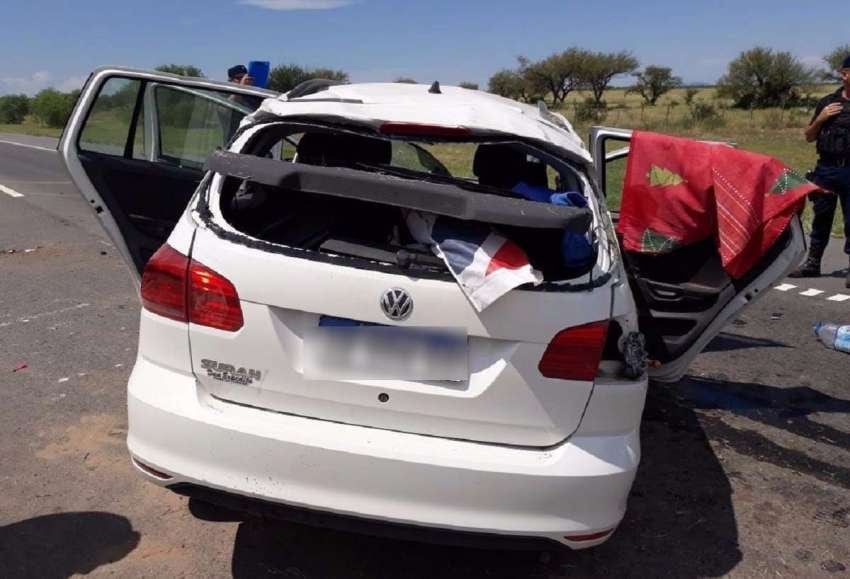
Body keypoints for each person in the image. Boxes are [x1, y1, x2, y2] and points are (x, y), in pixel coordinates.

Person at [790, 55, 850, 286]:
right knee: (821, 217)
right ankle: (812, 264)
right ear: (844, 74)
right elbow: (809, 136)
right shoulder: (828, 102)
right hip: (826, 169)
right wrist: (821, 119)